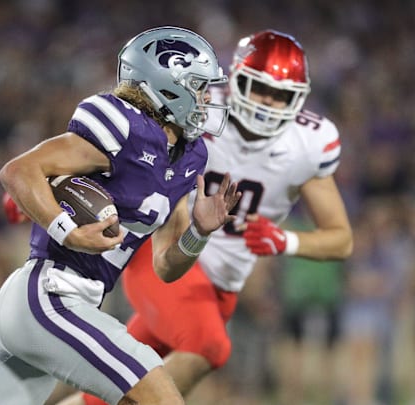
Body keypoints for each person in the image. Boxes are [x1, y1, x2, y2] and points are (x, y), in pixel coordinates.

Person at [0, 26, 241, 405]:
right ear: (168, 84)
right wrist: (67, 231)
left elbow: (167, 266)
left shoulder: (190, 157)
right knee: (161, 397)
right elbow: (18, 171)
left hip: (61, 305)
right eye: (198, 86)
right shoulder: (121, 123)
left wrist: (199, 232)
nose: (205, 99)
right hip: (51, 295)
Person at [56, 29, 354, 405]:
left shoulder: (309, 143)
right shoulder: (198, 106)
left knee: (111, 374)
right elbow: (124, 144)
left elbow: (341, 239)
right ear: (236, 76)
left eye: (281, 95)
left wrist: (285, 241)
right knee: (208, 346)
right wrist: (59, 180)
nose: (268, 103)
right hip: (165, 252)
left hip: (222, 286)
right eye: (259, 88)